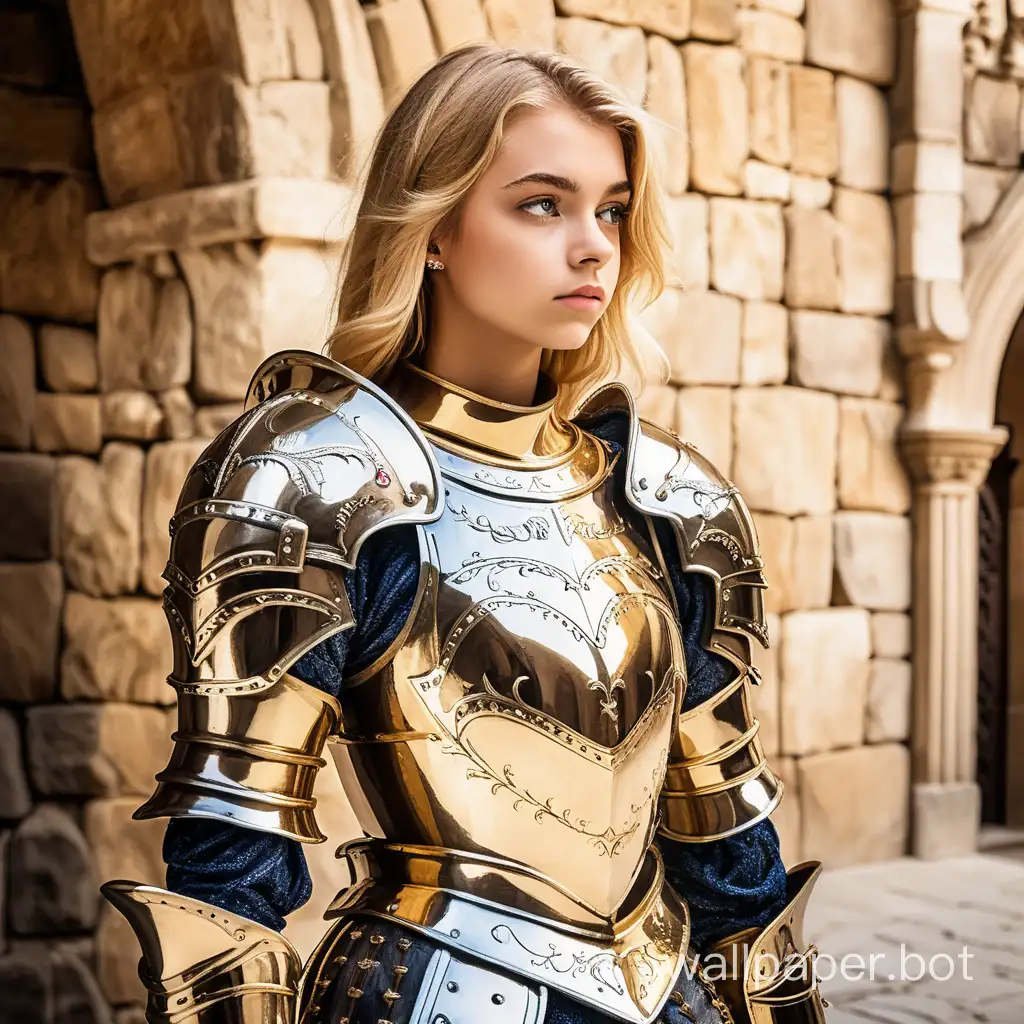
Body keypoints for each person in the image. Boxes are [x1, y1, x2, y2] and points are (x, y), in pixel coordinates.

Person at [103, 43, 829, 1024]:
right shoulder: (319, 476)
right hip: (431, 991)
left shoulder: (666, 497)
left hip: (662, 992)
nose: (594, 246)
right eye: (543, 203)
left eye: (610, 208)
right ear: (433, 227)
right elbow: (230, 869)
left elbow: (729, 849)